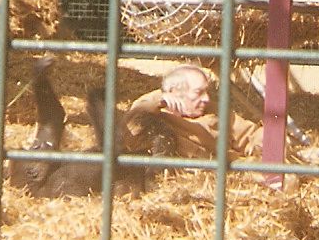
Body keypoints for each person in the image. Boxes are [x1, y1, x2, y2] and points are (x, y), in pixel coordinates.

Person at [122, 64, 301, 192]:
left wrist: (267, 147)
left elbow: (250, 133)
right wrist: (159, 100)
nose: (207, 98)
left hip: (232, 169)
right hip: (191, 179)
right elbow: (130, 128)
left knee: (286, 179)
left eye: (207, 91)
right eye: (199, 92)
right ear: (175, 92)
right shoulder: (155, 109)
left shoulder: (214, 111)